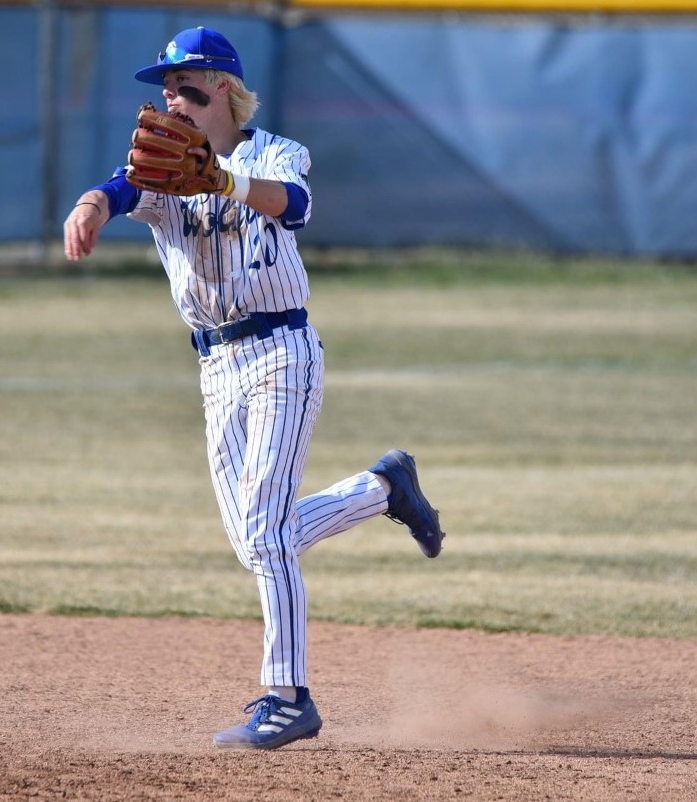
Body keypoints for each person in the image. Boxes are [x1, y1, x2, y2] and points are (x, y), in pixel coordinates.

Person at [63, 26, 445, 750]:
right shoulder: (164, 164)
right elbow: (123, 187)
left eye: (183, 85)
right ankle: (383, 488)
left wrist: (225, 179)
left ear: (224, 91)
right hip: (215, 367)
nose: (169, 97)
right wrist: (90, 206)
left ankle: (288, 695)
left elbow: (293, 204)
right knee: (255, 539)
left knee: (267, 535)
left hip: (280, 353)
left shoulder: (275, 152)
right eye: (164, 87)